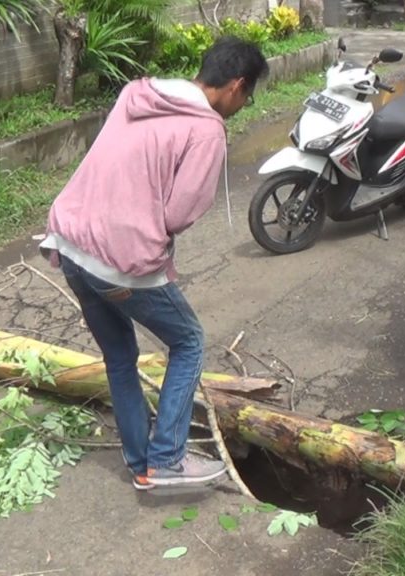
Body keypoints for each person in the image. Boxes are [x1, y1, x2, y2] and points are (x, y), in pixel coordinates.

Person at [38, 37, 269, 489]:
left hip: (69, 242)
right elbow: (178, 214)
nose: (244, 104)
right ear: (237, 86)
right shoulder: (206, 130)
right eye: (248, 95)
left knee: (120, 356)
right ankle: (166, 459)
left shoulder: (137, 94)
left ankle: (140, 459)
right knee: (189, 343)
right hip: (119, 261)